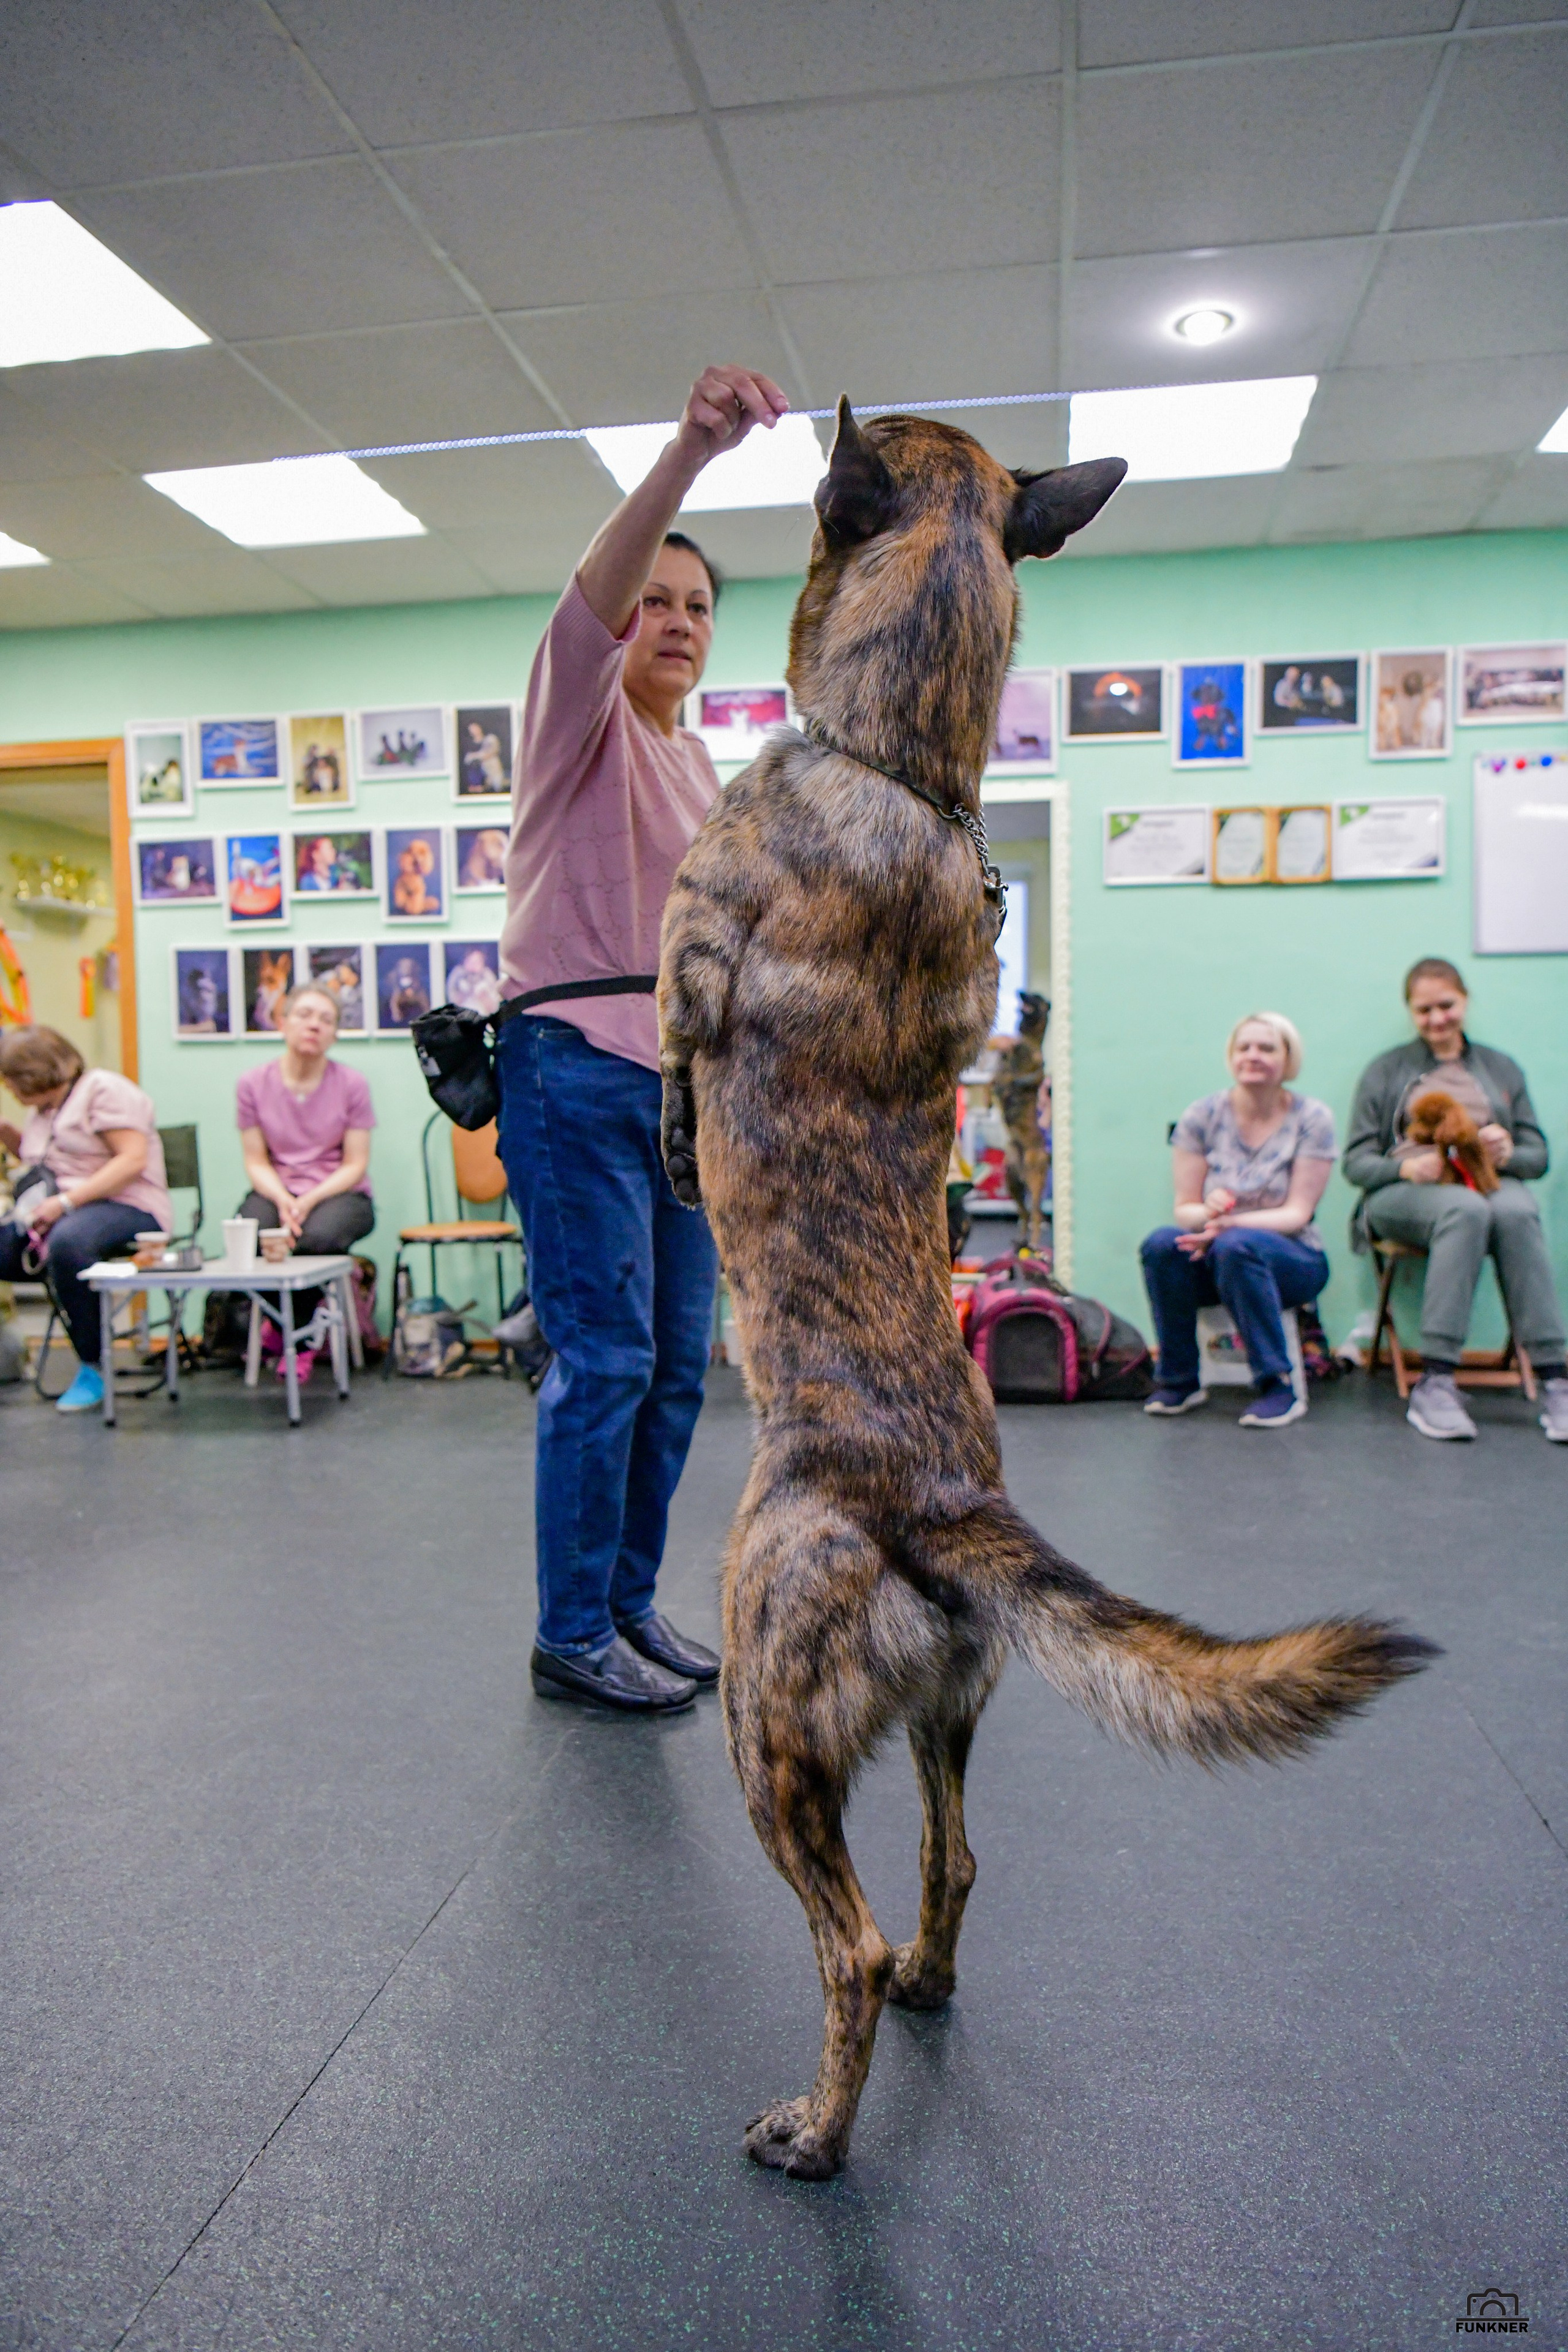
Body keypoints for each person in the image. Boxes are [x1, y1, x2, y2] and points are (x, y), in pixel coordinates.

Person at [495, 359, 788, 1715]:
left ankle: (621, 1603)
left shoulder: (701, 765)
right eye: (655, 602)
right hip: (570, 1070)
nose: (673, 620)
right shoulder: (579, 716)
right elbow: (587, 600)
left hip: (680, 1091)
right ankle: (569, 1633)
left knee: (676, 1367)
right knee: (603, 1359)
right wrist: (687, 454)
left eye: (696, 607)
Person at [1344, 957, 1568, 1442]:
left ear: (1465, 1002)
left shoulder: (1501, 1068)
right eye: (1424, 1010)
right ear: (1411, 1012)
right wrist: (1404, 1167)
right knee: (1464, 1210)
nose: (1437, 1019)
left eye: (1446, 1006)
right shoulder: (1386, 1071)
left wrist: (1508, 1152)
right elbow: (1356, 1164)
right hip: (1403, 1195)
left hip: (1487, 1181)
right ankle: (1437, 1379)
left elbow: (1539, 1157)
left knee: (1517, 1210)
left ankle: (1557, 1379)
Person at [1140, 1012, 1336, 1430]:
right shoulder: (1201, 1115)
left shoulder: (1312, 1118)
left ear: (1288, 1059)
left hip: (1294, 1259)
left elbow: (1297, 1214)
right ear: (1231, 1057)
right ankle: (1179, 1380)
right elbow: (1186, 1209)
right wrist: (1209, 1215)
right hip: (1218, 1250)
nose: (1254, 1056)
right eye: (1244, 1047)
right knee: (1162, 1244)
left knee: (1238, 1245)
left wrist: (1233, 1226)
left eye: (1267, 1048)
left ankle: (1278, 1387)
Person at [0, 1025, 172, 1412]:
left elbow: (132, 1160)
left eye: (11, 1081)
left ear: (34, 1075)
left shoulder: (104, 1090)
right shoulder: (43, 1111)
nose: (9, 1090)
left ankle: (94, 1365)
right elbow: (44, 1161)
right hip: (60, 1212)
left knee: (68, 1244)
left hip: (130, 1207)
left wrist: (66, 1202)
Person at [235, 982, 374, 1385]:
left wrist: (309, 1199)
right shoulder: (252, 1084)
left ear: (335, 1034)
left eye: (326, 1020)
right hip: (276, 1189)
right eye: (305, 1015)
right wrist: (282, 1197)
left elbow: (356, 1163)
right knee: (255, 1233)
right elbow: (255, 1160)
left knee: (316, 1238)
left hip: (338, 1192)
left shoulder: (352, 1084)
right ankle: (282, 1330)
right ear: (283, 1023)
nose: (314, 1025)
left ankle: (297, 1339)